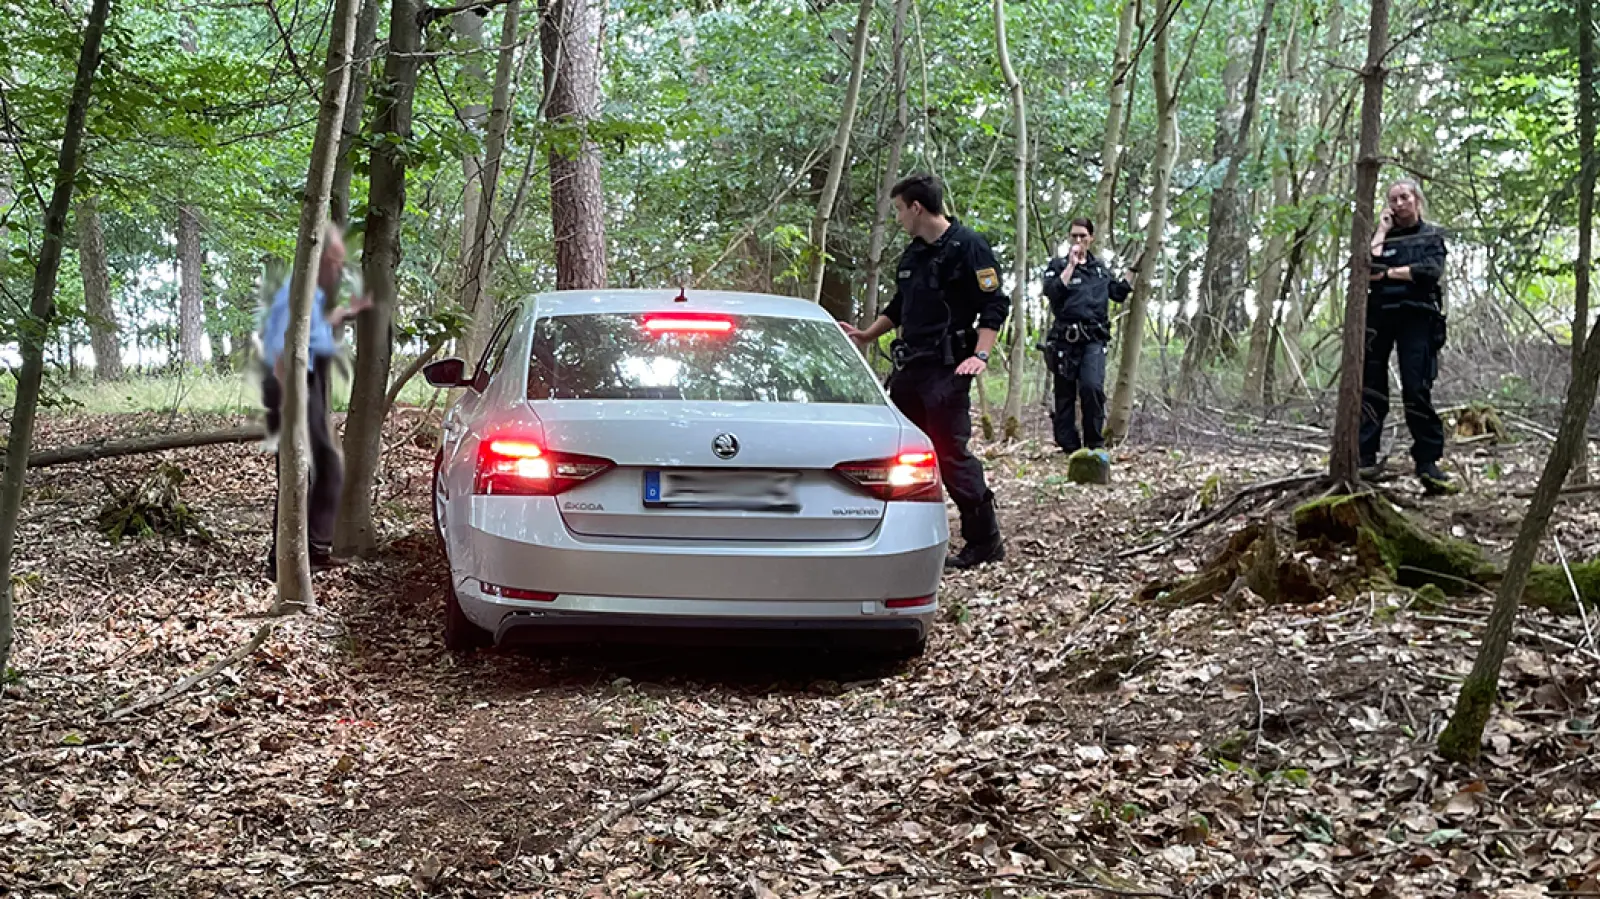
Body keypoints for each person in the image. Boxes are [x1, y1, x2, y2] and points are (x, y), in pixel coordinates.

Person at [843, 173, 1009, 569]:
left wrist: (981, 355)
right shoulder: (913, 255)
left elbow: (994, 305)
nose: (898, 217)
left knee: (950, 454)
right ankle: (900, 536)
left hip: (948, 370)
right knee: (898, 452)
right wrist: (866, 335)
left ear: (917, 207)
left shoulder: (969, 246)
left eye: (900, 210)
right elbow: (900, 306)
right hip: (911, 368)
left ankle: (985, 541)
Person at [259, 225, 371, 574]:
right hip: (292, 388)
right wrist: (290, 404)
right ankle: (282, 561)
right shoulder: (293, 297)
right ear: (318, 261)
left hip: (309, 385)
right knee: (296, 471)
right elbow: (278, 351)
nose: (338, 271)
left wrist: (348, 312)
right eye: (334, 263)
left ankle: (315, 550)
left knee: (326, 466)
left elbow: (316, 331)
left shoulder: (315, 298)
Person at [1361, 178, 1451, 492]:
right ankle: (1364, 457)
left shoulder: (1431, 235)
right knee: (1371, 388)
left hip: (1418, 317)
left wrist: (1388, 273)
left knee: (1416, 388)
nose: (1399, 204)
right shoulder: (1382, 237)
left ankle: (1427, 462)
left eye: (1404, 197)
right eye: (1393, 200)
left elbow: (1429, 272)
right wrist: (1382, 231)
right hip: (1379, 315)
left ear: (1417, 200)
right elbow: (1368, 267)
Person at [1041, 217, 1133, 453]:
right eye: (1074, 236)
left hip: (1093, 339)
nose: (1078, 240)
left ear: (1091, 238)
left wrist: (1133, 271)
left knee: (1092, 388)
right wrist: (1071, 266)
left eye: (1083, 236)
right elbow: (1051, 292)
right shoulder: (1058, 265)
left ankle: (1094, 444)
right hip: (1064, 341)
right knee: (1064, 395)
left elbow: (1118, 293)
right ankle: (1069, 447)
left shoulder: (1099, 270)